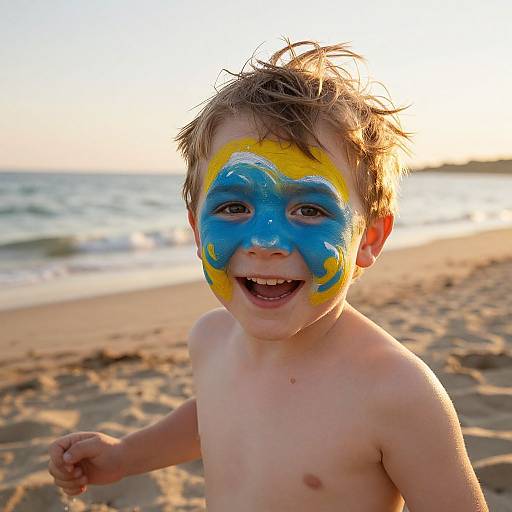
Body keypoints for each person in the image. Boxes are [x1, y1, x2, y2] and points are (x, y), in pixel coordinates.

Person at [48, 40, 489, 511]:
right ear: (196, 228)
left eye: (310, 208)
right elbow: (214, 419)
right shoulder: (210, 338)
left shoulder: (397, 393)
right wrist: (125, 456)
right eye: (234, 206)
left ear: (369, 238)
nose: (266, 241)